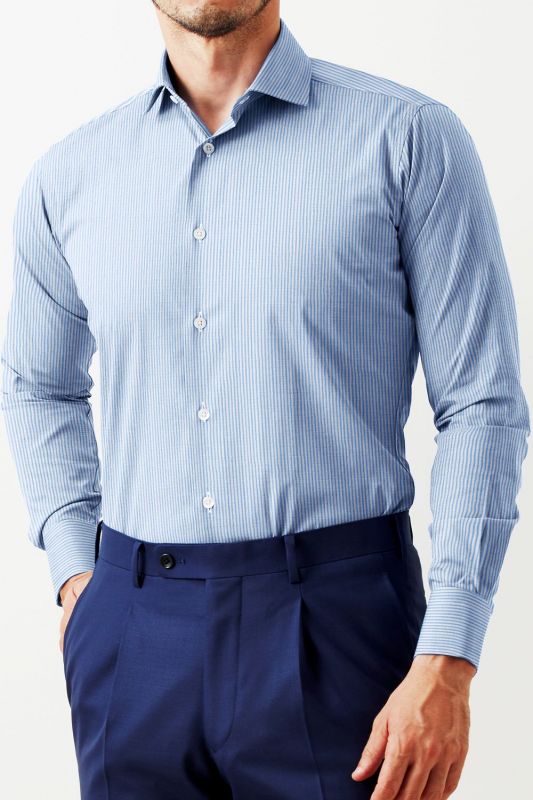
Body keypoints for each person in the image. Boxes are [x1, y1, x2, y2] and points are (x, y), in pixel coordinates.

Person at [1, 1, 529, 798]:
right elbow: (36, 385)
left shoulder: (408, 139)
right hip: (132, 629)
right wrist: (80, 573)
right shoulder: (68, 177)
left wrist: (448, 659)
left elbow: (481, 402)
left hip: (338, 624)